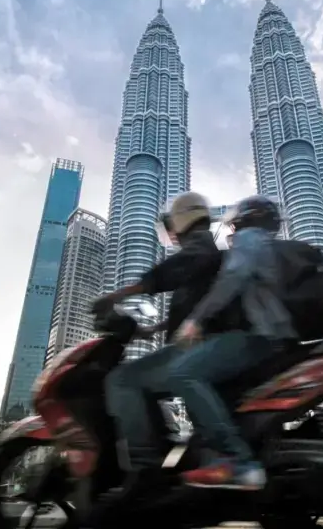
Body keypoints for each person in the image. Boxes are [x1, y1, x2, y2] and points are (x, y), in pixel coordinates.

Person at [166, 195, 323, 490]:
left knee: (184, 372)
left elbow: (232, 278)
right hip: (282, 340)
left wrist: (196, 320)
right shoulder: (271, 247)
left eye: (236, 222)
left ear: (246, 219)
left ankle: (237, 461)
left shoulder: (250, 240)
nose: (233, 228)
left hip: (263, 340)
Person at [90, 191, 225, 500]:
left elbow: (176, 269)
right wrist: (151, 329)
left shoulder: (200, 245)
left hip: (201, 351)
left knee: (121, 380)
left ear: (182, 218)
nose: (173, 234)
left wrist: (118, 295)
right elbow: (197, 304)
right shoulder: (208, 254)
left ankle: (144, 469)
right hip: (204, 346)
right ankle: (167, 457)